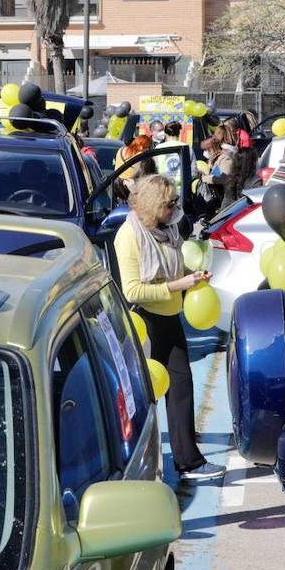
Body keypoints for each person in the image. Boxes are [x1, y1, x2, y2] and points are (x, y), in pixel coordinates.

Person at [113, 176, 224, 481]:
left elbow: (171, 268)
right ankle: (141, 463)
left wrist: (193, 276)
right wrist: (180, 284)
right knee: (144, 397)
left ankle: (187, 461)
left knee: (180, 388)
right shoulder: (130, 236)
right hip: (147, 322)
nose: (175, 208)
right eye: (169, 203)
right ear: (153, 206)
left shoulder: (167, 229)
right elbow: (133, 291)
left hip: (170, 317)